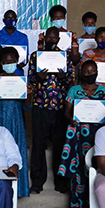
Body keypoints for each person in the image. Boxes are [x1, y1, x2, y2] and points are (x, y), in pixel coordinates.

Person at [58, 60, 105, 208]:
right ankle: (76, 205)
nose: (90, 74)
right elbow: (67, 112)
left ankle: (100, 205)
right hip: (78, 134)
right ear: (82, 73)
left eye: (93, 71)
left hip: (99, 134)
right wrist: (71, 120)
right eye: (87, 72)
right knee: (78, 168)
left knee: (99, 169)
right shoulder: (74, 90)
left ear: (97, 72)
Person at [28, 27, 70, 194]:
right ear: (45, 38)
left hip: (60, 107)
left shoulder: (64, 57)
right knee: (38, 144)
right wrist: (38, 78)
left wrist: (63, 78)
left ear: (59, 39)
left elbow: (71, 82)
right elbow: (30, 79)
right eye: (49, 37)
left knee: (60, 144)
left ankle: (60, 182)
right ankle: (37, 182)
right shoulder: (35, 56)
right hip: (40, 106)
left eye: (55, 37)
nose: (52, 40)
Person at [0, 47, 31, 198]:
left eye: (12, 61)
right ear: (1, 62)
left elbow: (27, 106)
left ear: (17, 62)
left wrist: (29, 94)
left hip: (16, 122)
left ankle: (14, 197)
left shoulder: (21, 80)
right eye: (6, 61)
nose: (9, 63)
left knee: (16, 157)